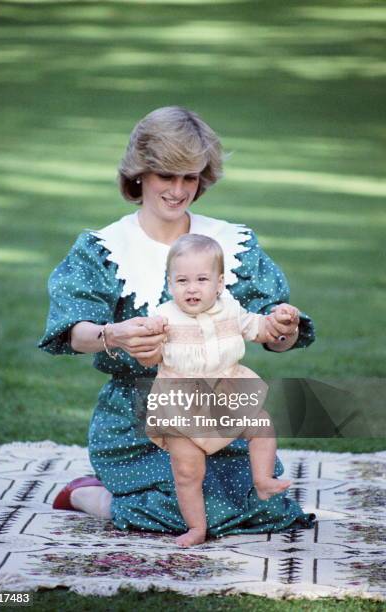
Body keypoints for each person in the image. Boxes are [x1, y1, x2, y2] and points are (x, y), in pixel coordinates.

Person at [39, 106, 316, 538]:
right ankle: (89, 495)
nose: (178, 189)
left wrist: (284, 329)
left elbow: (271, 333)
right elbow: (73, 331)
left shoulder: (229, 245)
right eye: (166, 175)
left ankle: (142, 501)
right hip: (137, 420)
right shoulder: (103, 248)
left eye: (190, 177)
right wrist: (114, 336)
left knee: (268, 505)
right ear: (138, 175)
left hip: (220, 411)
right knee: (183, 506)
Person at [144, 233, 300, 546]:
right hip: (180, 405)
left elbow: (259, 329)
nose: (191, 288)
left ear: (219, 283)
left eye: (202, 279)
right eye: (181, 280)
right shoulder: (162, 318)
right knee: (187, 470)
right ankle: (196, 528)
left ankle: (263, 479)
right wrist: (145, 344)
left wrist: (281, 319)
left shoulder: (231, 309)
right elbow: (149, 357)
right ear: (169, 283)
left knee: (263, 425)